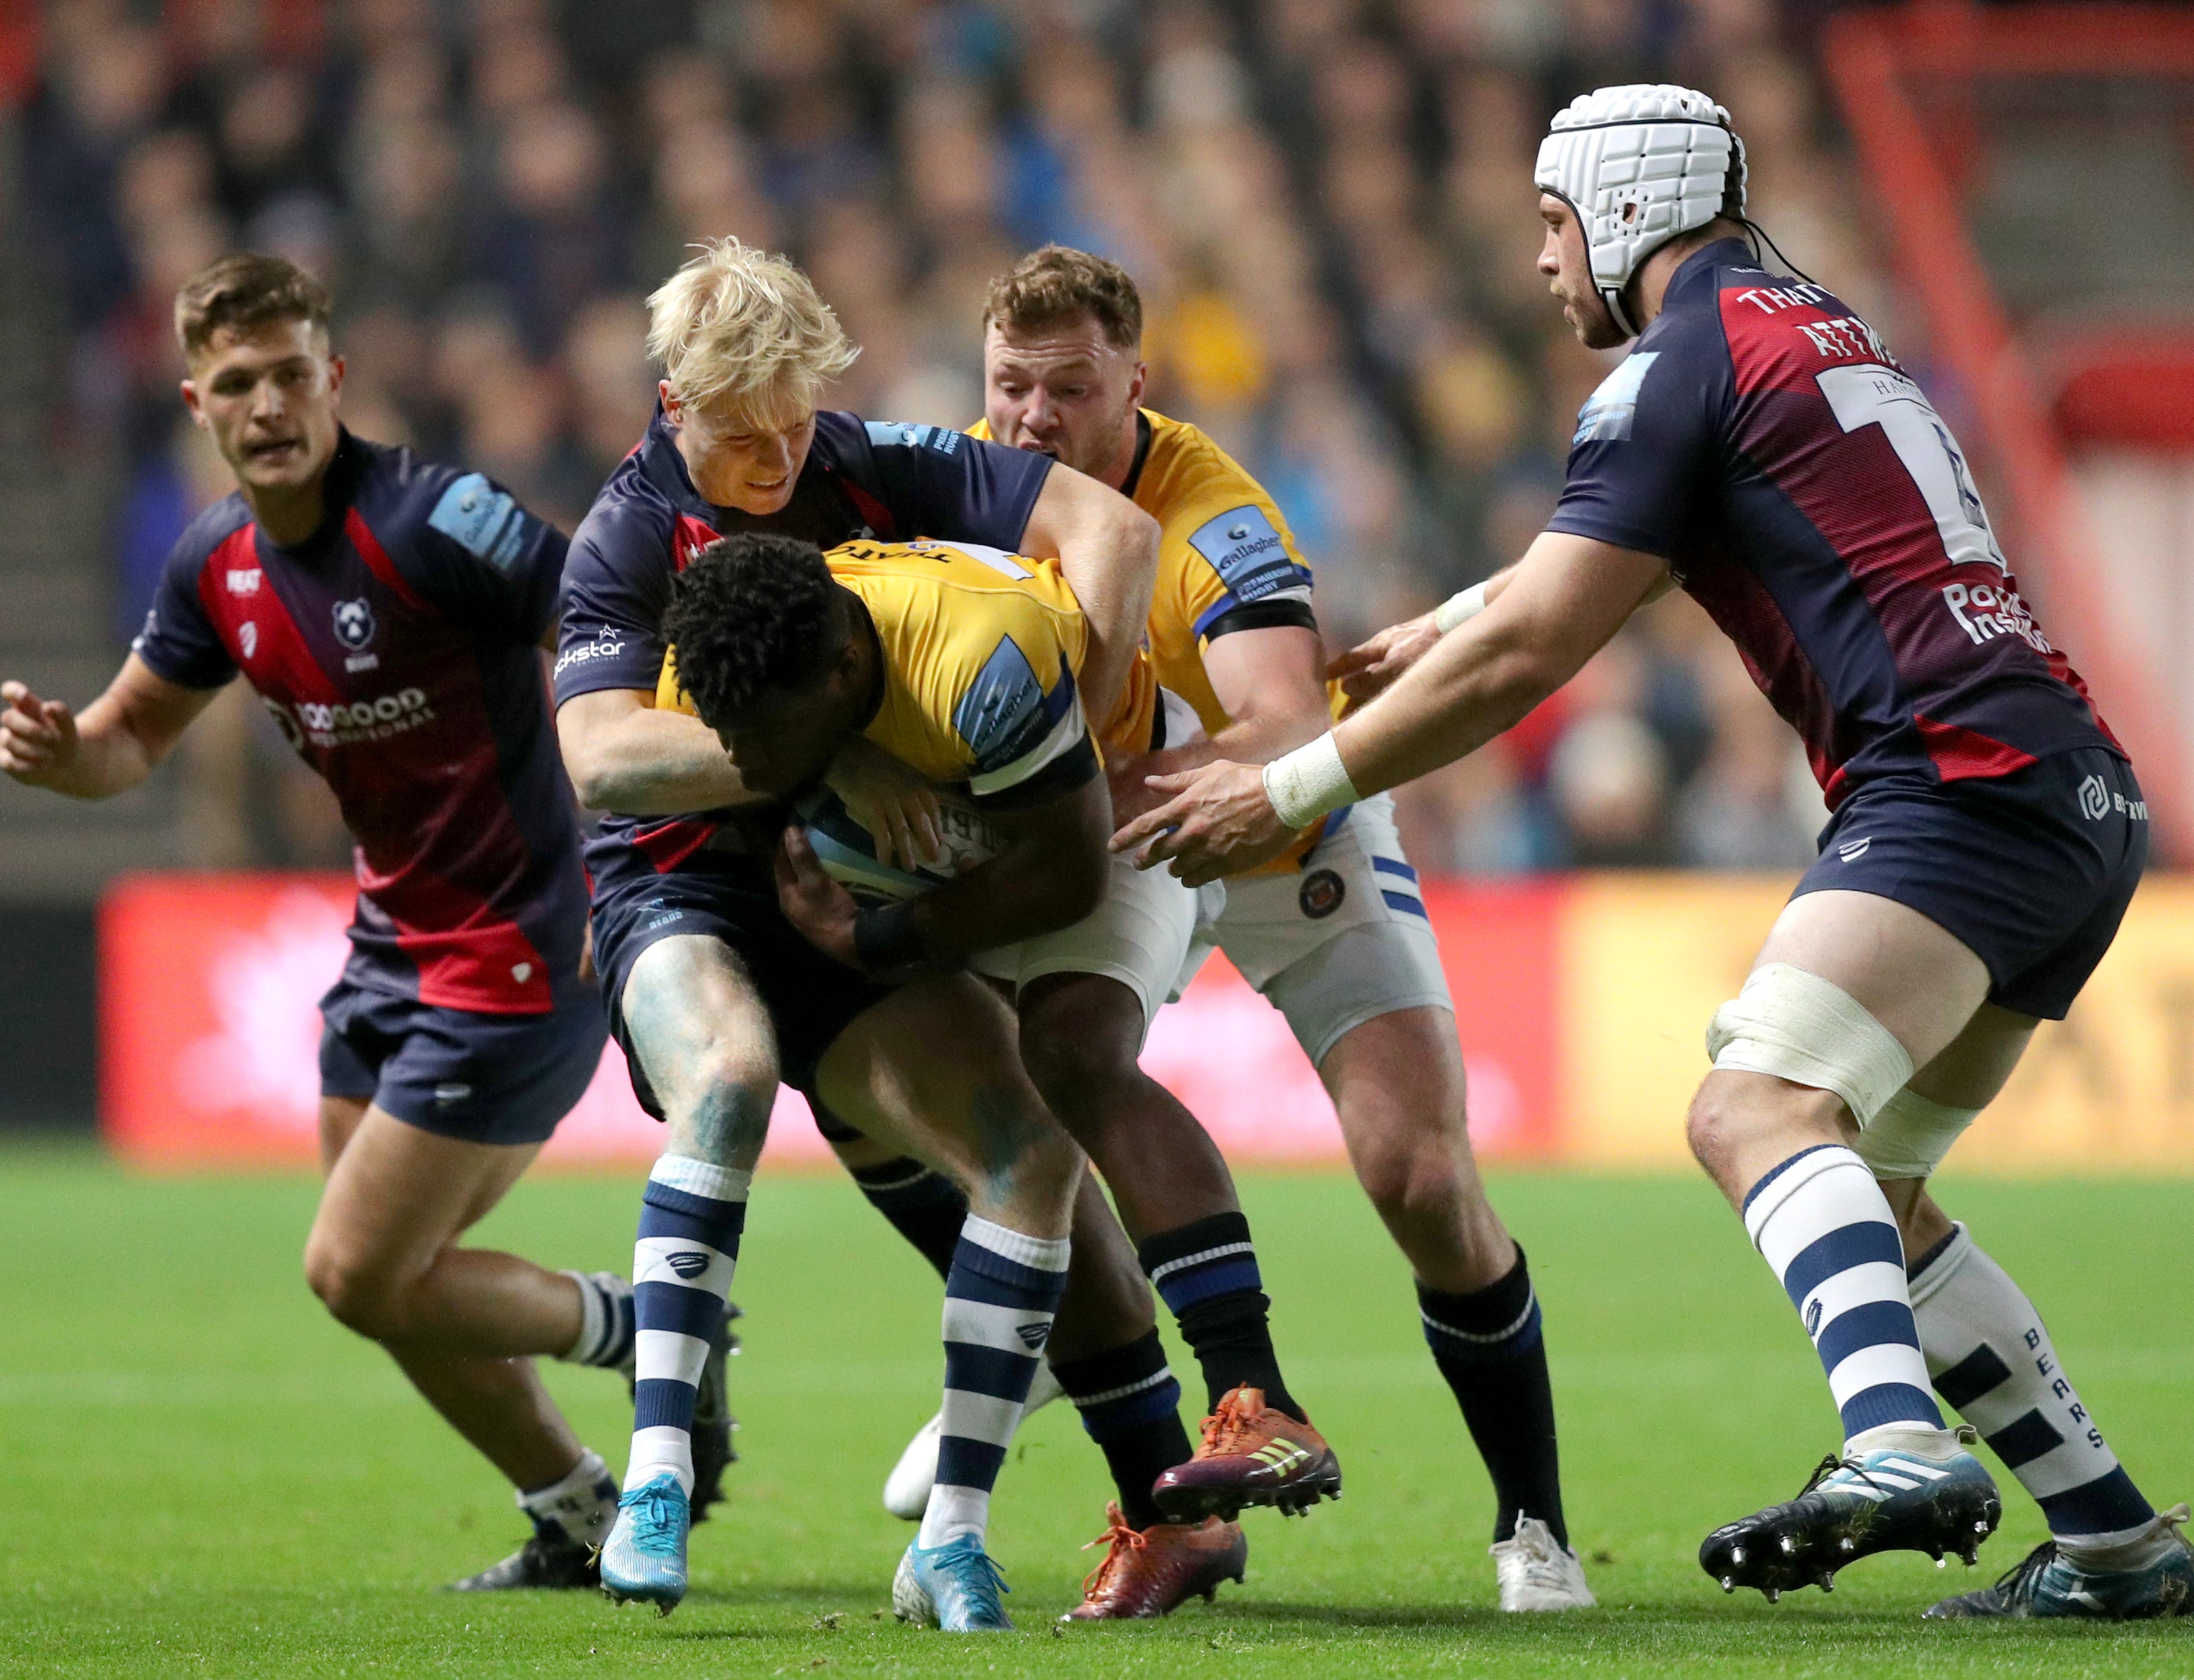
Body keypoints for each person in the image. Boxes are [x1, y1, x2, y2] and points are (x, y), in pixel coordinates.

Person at [1114, 82, 2193, 1618]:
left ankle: (1888, 1441)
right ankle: (2111, 1539)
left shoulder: (1672, 361)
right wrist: (1453, 611)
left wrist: (1290, 784)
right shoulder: (1808, 324)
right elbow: (1627, 545)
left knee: (1752, 1105)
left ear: (1628, 206)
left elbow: (1533, 655)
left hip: (1951, 781)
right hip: (2069, 792)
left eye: (1554, 224)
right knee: (1868, 1191)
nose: (1544, 263)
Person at [864, 245, 1585, 1615]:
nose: (1029, 420)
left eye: (1066, 391)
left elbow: (1281, 725)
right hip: (1123, 840)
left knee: (1418, 1177)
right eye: (1007, 386)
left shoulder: (1214, 514)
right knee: (1030, 1070)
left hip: (1273, 830)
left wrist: (1085, 801)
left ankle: (1532, 1527)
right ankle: (1132, 1426)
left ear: (1135, 382)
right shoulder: (955, 487)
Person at [0, 252, 691, 1592]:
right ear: (197, 399)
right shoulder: (216, 562)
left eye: (290, 374)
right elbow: (127, 738)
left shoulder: (438, 520)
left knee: (358, 1271)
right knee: (394, 1280)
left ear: (335, 379)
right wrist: (57, 749)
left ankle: (655, 1324)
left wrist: (642, 851)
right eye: (237, 383)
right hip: (385, 951)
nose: (268, 404)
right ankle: (578, 1506)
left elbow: (606, 639)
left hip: (523, 943)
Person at [553, 240, 1180, 1631]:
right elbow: (602, 759)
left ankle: (953, 1537)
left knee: (1029, 1156)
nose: (780, 455)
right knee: (725, 1075)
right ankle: (657, 1472)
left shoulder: (861, 453)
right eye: (743, 433)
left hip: (843, 901)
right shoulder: (621, 537)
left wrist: (1037, 730)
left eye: (795, 419)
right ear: (673, 408)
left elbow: (1115, 536)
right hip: (681, 890)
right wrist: (834, 756)